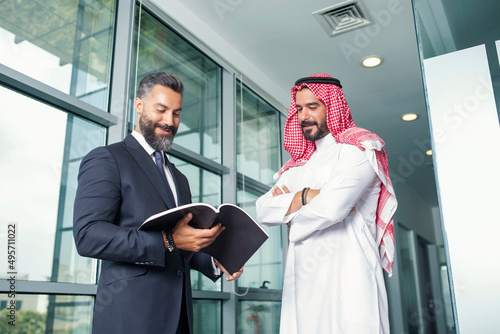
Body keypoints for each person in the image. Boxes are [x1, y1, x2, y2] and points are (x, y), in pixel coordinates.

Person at [73, 72, 242, 333]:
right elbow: (88, 235)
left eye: (176, 113)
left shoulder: (179, 178)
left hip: (179, 318)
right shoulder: (107, 159)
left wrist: (212, 261)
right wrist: (167, 240)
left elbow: (181, 245)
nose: (169, 121)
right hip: (131, 318)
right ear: (139, 106)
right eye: (161, 110)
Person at [256, 73, 397, 333]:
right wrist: (306, 196)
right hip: (302, 277)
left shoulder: (359, 150)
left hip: (348, 269)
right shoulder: (298, 164)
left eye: (313, 106)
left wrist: (288, 211)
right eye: (299, 108)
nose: (304, 116)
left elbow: (332, 208)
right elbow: (263, 209)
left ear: (332, 106)